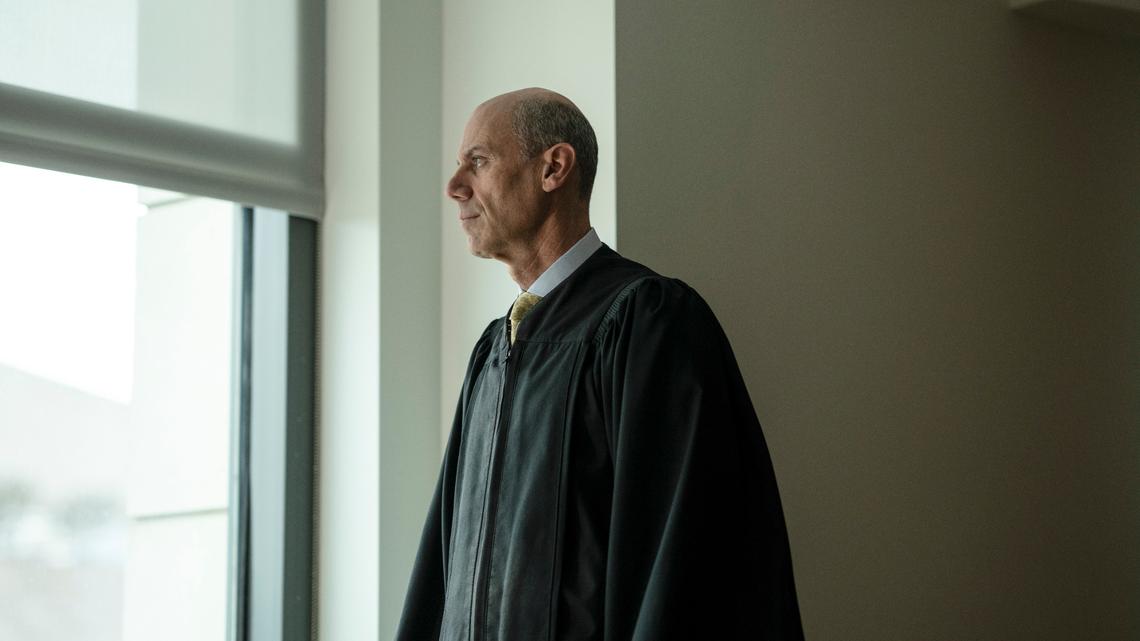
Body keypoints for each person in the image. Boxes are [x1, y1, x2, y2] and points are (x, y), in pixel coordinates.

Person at [396, 88, 803, 641]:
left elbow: (686, 560)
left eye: (479, 161)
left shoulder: (650, 323)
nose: (455, 186)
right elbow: (443, 567)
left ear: (553, 169)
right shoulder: (494, 350)